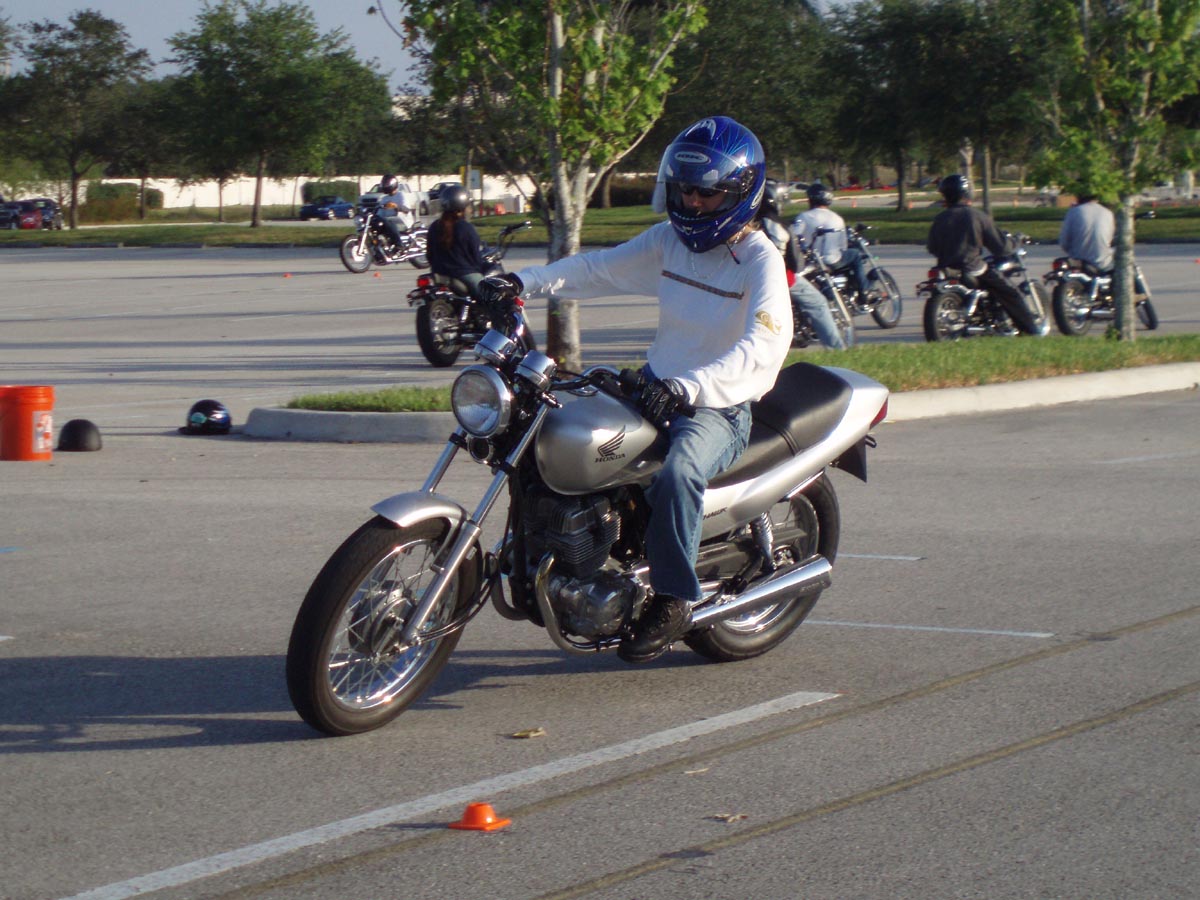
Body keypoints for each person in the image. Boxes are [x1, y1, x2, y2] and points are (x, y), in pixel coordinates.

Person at [481, 116, 792, 663]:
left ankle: (674, 599)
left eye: (706, 192)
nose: (692, 202)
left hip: (717, 406)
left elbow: (763, 347)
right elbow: (599, 270)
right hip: (655, 385)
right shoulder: (670, 242)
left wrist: (688, 386)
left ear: (740, 192)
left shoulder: (758, 260)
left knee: (678, 473)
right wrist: (523, 282)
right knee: (556, 432)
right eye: (685, 189)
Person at [926, 174, 1047, 336]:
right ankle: (1032, 331)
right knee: (1010, 292)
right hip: (972, 267)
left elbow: (932, 247)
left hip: (946, 268)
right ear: (966, 193)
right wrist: (1016, 241)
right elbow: (1001, 247)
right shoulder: (976, 216)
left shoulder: (940, 218)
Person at [758, 182, 846, 349]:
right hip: (776, 278)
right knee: (818, 303)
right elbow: (796, 263)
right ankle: (836, 348)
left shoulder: (746, 222)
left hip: (745, 277)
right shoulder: (776, 224)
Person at [794, 183, 870, 298]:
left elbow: (795, 237)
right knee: (855, 254)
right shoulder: (837, 218)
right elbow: (843, 246)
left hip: (811, 261)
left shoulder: (803, 217)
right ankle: (864, 291)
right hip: (833, 260)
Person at [426, 183, 490, 299]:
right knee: (490, 297)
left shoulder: (434, 227)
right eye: (468, 206)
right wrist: (480, 268)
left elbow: (429, 255)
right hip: (463, 274)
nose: (470, 209)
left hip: (438, 272)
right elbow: (475, 256)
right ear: (461, 209)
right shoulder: (466, 228)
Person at [1059, 193, 1114, 272]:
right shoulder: (1108, 213)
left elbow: (1064, 242)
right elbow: (1110, 240)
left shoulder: (1074, 212)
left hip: (1079, 262)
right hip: (1103, 263)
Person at [376, 174, 417, 248]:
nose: (385, 186)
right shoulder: (384, 199)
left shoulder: (401, 195)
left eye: (386, 184)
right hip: (389, 223)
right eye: (384, 184)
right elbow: (379, 214)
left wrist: (396, 206)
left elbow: (407, 210)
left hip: (402, 222)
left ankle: (399, 245)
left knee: (389, 221)